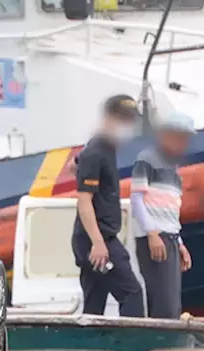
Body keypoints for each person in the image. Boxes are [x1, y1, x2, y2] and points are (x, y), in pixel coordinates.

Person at [72, 94, 145, 318]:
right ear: (108, 119)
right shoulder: (95, 153)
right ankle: (131, 347)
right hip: (98, 241)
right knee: (131, 293)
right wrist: (98, 243)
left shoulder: (106, 149)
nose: (128, 127)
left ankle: (88, 349)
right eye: (123, 120)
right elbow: (84, 201)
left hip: (95, 240)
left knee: (94, 306)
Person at [130, 112, 195, 320]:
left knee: (172, 301)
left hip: (170, 237)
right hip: (157, 237)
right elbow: (137, 199)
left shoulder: (174, 168)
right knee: (163, 301)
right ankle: (160, 347)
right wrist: (152, 233)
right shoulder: (146, 159)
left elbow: (169, 210)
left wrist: (180, 242)